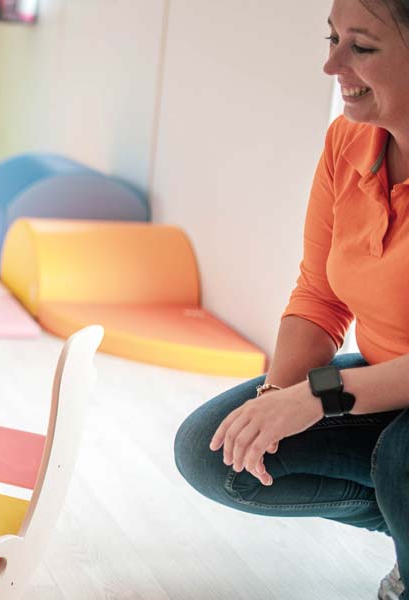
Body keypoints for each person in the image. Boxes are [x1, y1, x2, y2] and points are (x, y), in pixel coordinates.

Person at [174, 1, 409, 597]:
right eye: (332, 38)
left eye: (362, 47)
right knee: (216, 454)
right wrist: (278, 402)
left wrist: (317, 396)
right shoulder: (347, 139)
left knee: (401, 461)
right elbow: (320, 294)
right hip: (386, 381)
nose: (332, 64)